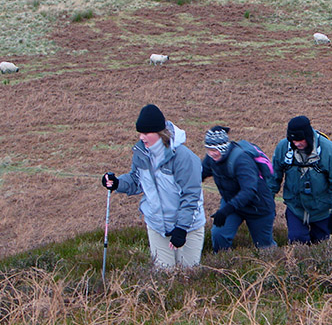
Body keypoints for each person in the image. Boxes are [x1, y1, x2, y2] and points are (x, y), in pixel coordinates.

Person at [101, 104, 206, 270]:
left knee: (188, 275)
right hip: (157, 226)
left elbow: (191, 195)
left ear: (159, 133)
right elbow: (136, 180)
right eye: (140, 133)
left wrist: (181, 229)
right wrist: (117, 183)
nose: (142, 137)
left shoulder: (184, 158)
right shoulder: (141, 153)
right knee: (164, 277)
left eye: (146, 133)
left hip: (188, 228)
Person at [269, 115, 332, 244]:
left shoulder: (329, 150)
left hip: (322, 211)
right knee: (297, 242)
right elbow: (273, 178)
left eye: (301, 140)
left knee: (321, 246)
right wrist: (268, 202)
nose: (297, 143)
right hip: (295, 208)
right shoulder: (283, 147)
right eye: (293, 140)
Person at [201, 125, 276, 252]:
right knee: (219, 235)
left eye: (215, 149)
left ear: (223, 147)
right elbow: (200, 174)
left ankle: (274, 267)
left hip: (258, 208)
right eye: (209, 149)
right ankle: (222, 264)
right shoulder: (211, 159)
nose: (212, 153)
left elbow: (249, 190)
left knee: (264, 247)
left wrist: (225, 211)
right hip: (233, 204)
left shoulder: (241, 160)